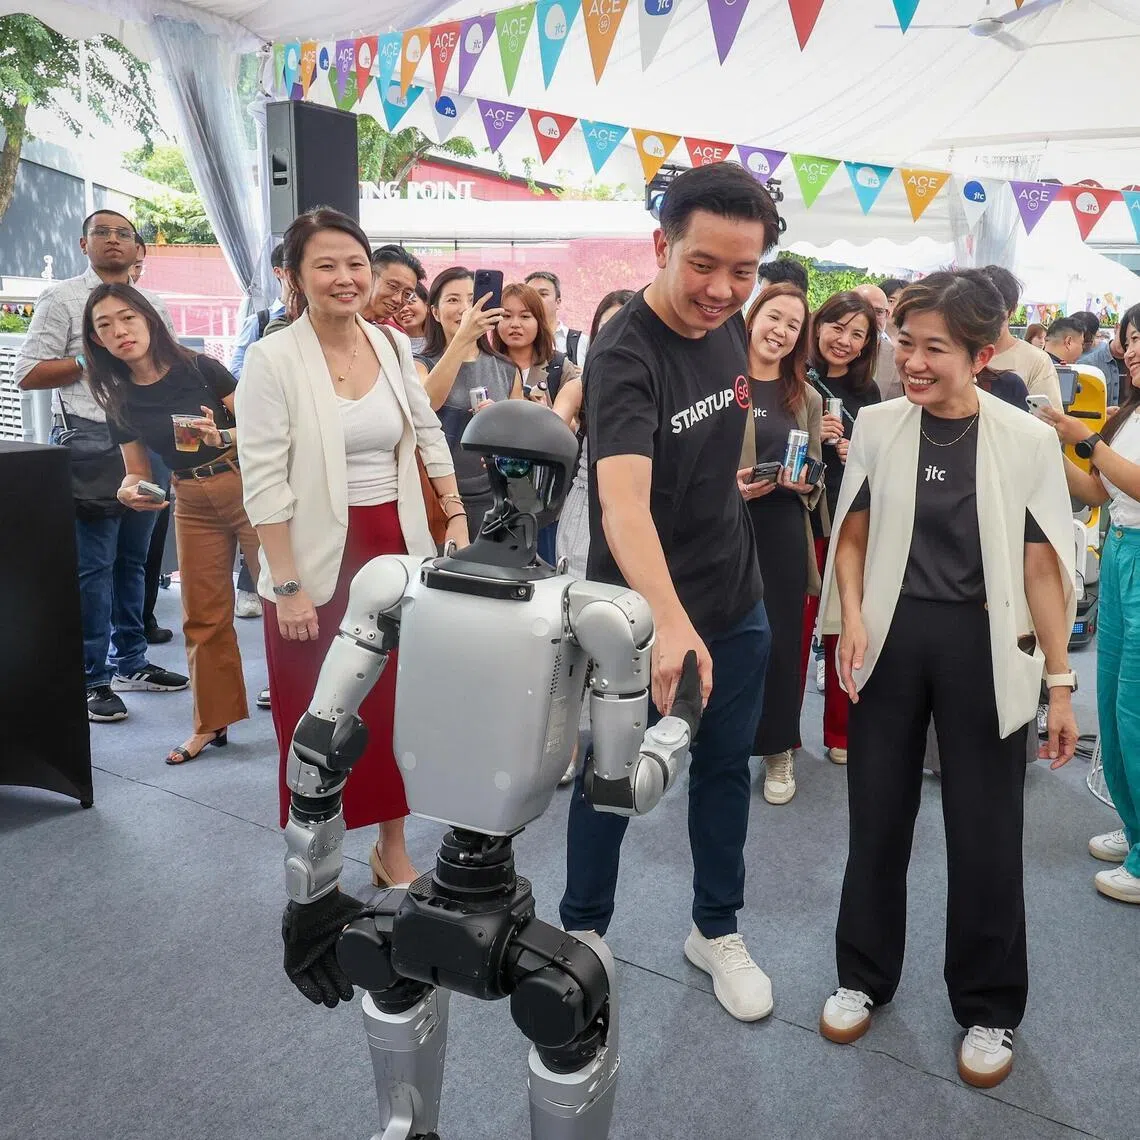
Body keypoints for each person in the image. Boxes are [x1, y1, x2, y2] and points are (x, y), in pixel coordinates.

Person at [816, 270, 1078, 1089]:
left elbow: (1042, 567)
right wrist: (851, 615)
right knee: (877, 818)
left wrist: (1062, 682)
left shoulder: (1026, 439)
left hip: (987, 644)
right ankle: (863, 974)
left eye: (935, 348)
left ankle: (990, 1005)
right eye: (906, 343)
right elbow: (852, 536)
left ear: (982, 352)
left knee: (986, 830)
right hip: (891, 641)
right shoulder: (879, 425)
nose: (914, 362)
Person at [559, 162, 780, 1022]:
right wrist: (674, 628)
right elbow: (621, 507)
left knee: (724, 772)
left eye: (743, 271)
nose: (723, 290)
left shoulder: (727, 329)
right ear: (662, 245)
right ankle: (584, 933)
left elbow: (719, 443)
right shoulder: (625, 353)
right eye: (703, 265)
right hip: (642, 619)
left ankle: (714, 928)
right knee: (610, 776)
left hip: (738, 602)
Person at [237, 207, 466, 889]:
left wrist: (454, 514)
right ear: (295, 278)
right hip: (310, 558)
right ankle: (317, 840)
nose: (344, 277)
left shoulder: (393, 345)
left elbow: (427, 434)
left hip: (394, 547)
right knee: (317, 707)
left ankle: (392, 843)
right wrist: (284, 583)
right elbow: (264, 478)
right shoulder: (272, 357)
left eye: (355, 263)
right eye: (325, 265)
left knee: (396, 707)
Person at [14, 209, 188, 723]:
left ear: (139, 249)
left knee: (136, 560)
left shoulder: (152, 303)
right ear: (83, 243)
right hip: (90, 440)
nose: (114, 240)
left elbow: (168, 371)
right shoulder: (62, 298)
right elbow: (28, 373)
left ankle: (131, 661)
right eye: (102, 233)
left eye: (124, 234)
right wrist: (95, 356)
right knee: (94, 566)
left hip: (150, 438)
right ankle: (91, 677)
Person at [82, 284, 260, 764]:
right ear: (96, 341)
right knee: (202, 616)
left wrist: (222, 432)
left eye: (127, 318)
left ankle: (304, 712)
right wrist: (129, 489)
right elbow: (136, 469)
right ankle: (211, 722)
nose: (120, 331)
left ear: (148, 320)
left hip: (248, 483)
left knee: (286, 605)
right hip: (190, 498)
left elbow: (266, 425)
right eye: (105, 326)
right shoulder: (117, 396)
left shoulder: (200, 367)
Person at [1039, 300, 1140, 904]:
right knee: (1115, 702)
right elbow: (1099, 491)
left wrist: (1086, 441)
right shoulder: (1128, 411)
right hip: (1122, 548)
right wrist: (1049, 448)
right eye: (1130, 339)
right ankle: (1135, 830)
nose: (1131, 349)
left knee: (1137, 707)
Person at [736, 283, 823, 805]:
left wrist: (805, 480)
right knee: (723, 638)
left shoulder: (805, 395)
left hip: (784, 528)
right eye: (774, 317)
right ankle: (718, 744)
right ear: (753, 316)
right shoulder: (721, 382)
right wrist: (731, 484)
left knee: (782, 642)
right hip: (725, 527)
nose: (781, 331)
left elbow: (815, 474)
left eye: (793, 325)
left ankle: (778, 749)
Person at [804, 290, 881, 766]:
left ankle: (840, 732)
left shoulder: (867, 393)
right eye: (838, 327)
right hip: (801, 520)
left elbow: (879, 463)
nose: (845, 341)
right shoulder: (794, 378)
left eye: (858, 334)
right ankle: (780, 742)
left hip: (848, 521)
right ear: (818, 326)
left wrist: (858, 456)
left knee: (843, 627)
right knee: (794, 630)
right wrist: (814, 438)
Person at [415, 267, 520, 537]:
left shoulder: (506, 369)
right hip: (441, 498)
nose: (466, 308)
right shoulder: (420, 364)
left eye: (472, 300)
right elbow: (427, 405)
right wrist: (463, 337)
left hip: (495, 499)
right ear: (435, 312)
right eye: (453, 300)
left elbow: (522, 444)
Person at [553, 289, 635, 577]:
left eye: (627, 331)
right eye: (606, 331)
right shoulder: (580, 386)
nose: (616, 341)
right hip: (587, 510)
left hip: (644, 510)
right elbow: (551, 432)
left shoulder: (658, 387)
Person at [980, 265, 1064, 408]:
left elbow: (1050, 423)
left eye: (992, 313)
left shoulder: (1037, 361)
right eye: (977, 311)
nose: (983, 320)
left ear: (1012, 310)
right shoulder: (960, 354)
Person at [229, 243, 289, 381]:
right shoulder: (260, 320)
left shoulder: (321, 317)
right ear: (278, 271)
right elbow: (236, 368)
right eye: (293, 265)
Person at [524, 270, 587, 364]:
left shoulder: (582, 342)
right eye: (531, 295)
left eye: (543, 294)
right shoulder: (516, 340)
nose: (535, 299)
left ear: (558, 302)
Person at [856, 282, 902, 401]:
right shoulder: (821, 353)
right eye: (862, 309)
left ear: (887, 314)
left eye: (878, 312)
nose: (870, 318)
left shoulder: (898, 357)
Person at [363, 244, 424, 329]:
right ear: (369, 277)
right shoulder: (341, 322)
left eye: (407, 294)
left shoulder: (396, 336)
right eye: (393, 286)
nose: (398, 299)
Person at [399, 282, 429, 354]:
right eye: (399, 304)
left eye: (410, 302)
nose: (404, 309)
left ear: (427, 306)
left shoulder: (445, 343)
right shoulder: (391, 344)